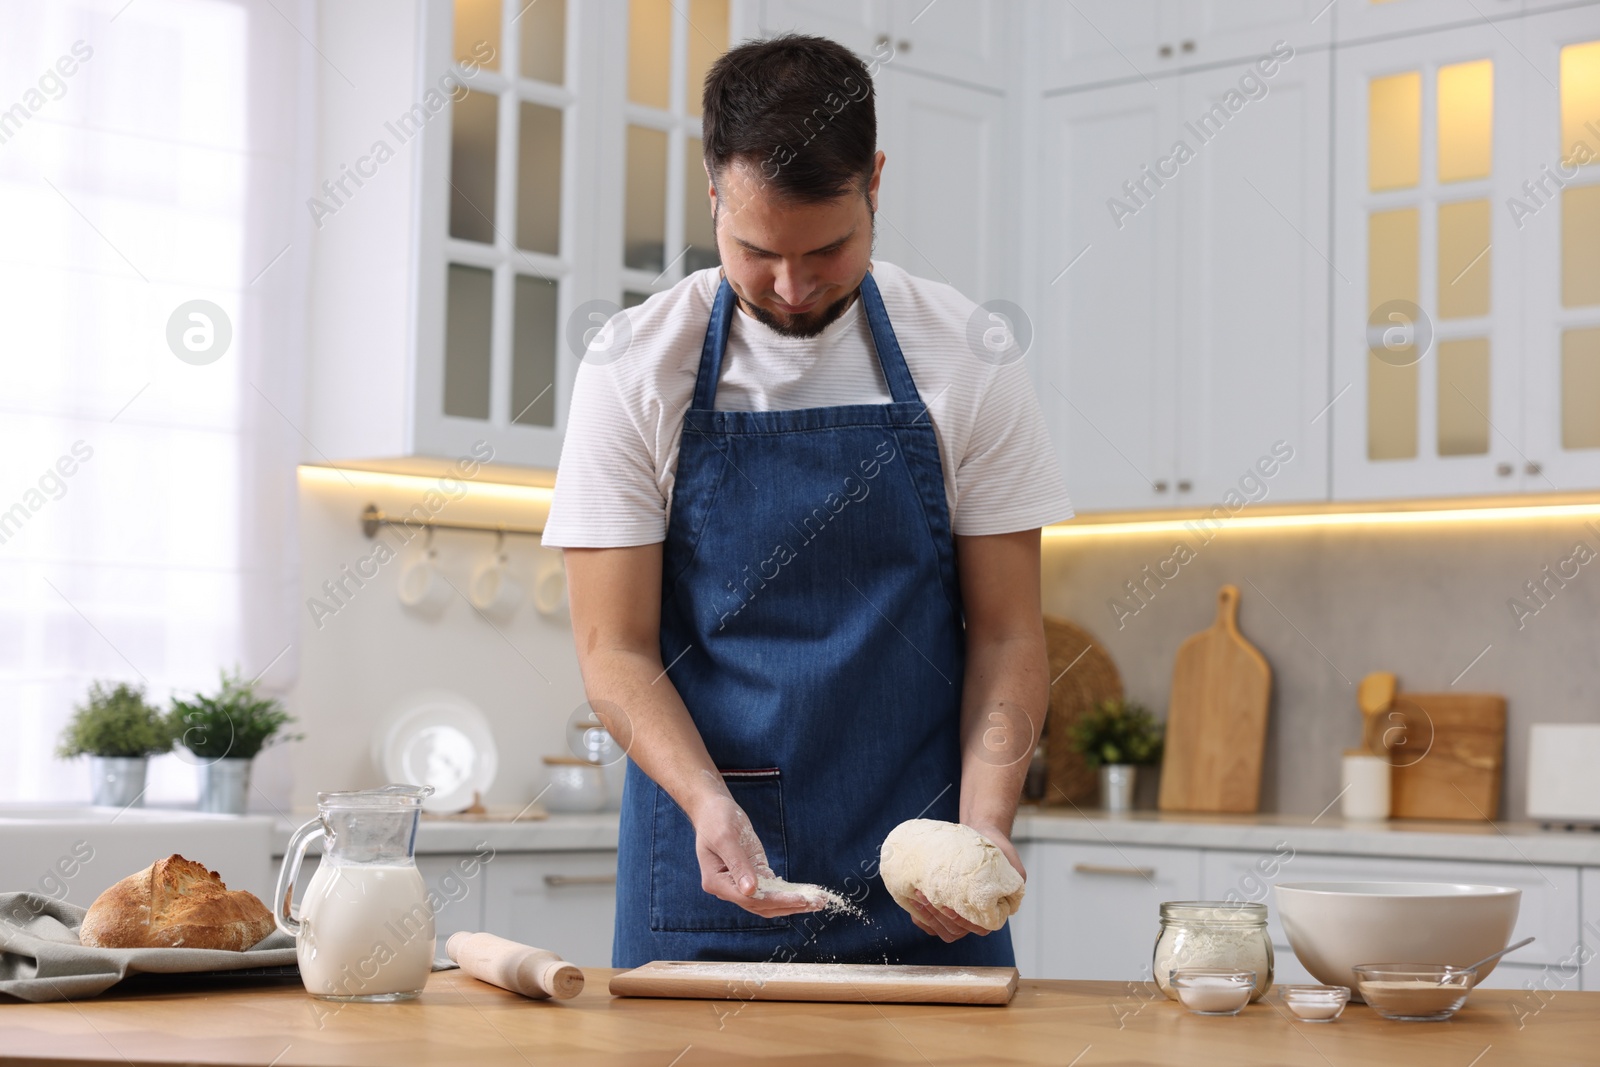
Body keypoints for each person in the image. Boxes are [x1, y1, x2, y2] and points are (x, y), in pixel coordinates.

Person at [541, 33, 1073, 968]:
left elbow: (1007, 634)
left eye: (828, 249)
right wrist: (709, 805)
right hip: (710, 876)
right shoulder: (636, 364)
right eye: (755, 251)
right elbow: (611, 649)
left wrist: (985, 824)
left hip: (926, 880)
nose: (791, 289)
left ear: (875, 182)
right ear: (712, 194)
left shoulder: (968, 354)